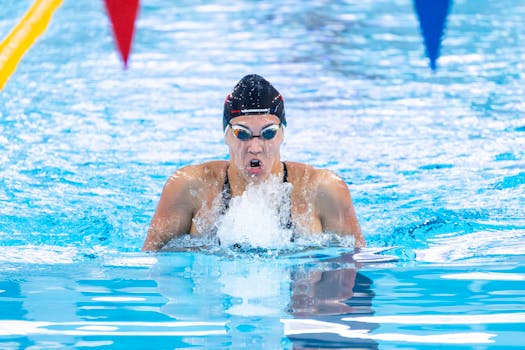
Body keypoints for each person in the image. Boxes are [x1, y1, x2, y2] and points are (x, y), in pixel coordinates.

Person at [142, 74, 365, 251]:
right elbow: (152, 265)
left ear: (282, 135)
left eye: (268, 133)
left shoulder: (322, 189)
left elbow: (355, 269)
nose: (255, 147)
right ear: (226, 135)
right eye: (242, 133)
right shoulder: (189, 188)